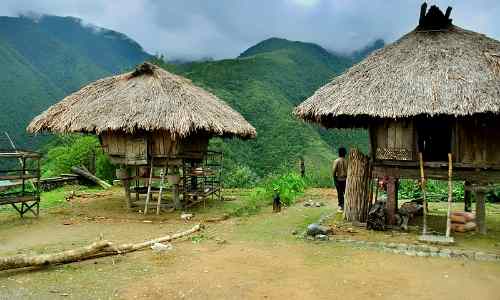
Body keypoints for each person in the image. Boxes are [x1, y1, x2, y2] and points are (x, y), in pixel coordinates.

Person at [332, 147, 348, 212]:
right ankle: (347, 206)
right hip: (346, 180)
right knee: (346, 193)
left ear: (339, 153)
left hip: (339, 180)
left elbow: (333, 172)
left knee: (340, 194)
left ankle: (341, 206)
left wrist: (335, 180)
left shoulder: (336, 161)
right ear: (345, 153)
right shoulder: (347, 161)